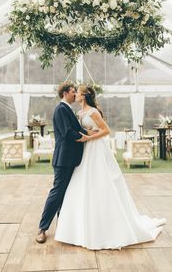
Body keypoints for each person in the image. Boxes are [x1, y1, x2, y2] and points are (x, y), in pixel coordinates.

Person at [55, 84, 166, 250]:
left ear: (83, 96)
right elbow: (79, 130)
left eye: (77, 92)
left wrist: (88, 139)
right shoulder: (79, 113)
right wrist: (85, 136)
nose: (76, 94)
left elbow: (106, 131)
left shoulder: (93, 112)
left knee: (100, 180)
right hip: (85, 151)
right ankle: (79, 227)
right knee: (82, 183)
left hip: (96, 149)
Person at [36, 82, 95, 244]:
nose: (75, 94)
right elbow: (68, 132)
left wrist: (91, 132)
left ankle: (63, 227)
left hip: (71, 159)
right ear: (65, 93)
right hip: (64, 159)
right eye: (73, 91)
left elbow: (77, 128)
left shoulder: (68, 109)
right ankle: (42, 229)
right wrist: (87, 137)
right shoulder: (61, 109)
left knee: (66, 194)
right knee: (56, 193)